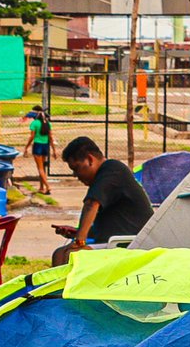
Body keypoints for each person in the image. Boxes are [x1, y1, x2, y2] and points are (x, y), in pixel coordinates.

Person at [51, 137, 153, 266]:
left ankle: (72, 286)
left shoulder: (112, 169)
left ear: (90, 159)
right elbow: (112, 225)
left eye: (76, 168)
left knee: (71, 255)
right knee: (60, 254)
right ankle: (62, 287)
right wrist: (77, 232)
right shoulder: (106, 178)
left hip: (131, 244)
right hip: (116, 241)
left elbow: (91, 204)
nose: (75, 175)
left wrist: (79, 241)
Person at [22, 106, 53, 194]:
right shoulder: (47, 123)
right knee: (43, 168)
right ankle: (41, 187)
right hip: (46, 146)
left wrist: (26, 147)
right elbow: (51, 137)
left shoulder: (34, 123)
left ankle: (48, 187)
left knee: (40, 168)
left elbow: (32, 136)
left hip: (38, 146)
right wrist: (54, 150)